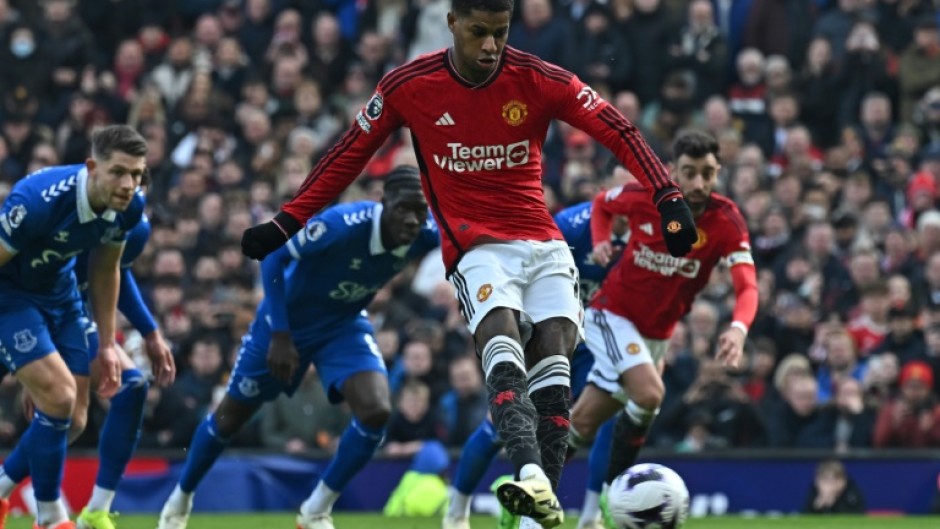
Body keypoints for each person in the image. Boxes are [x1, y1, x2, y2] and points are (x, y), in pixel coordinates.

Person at [240, 0, 697, 525]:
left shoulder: (539, 78)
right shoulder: (408, 85)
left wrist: (666, 194)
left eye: (500, 33)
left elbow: (618, 128)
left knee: (553, 373)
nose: (489, 46)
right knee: (503, 350)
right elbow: (348, 153)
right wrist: (287, 222)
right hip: (478, 250)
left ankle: (535, 509)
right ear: (452, 23)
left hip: (544, 246)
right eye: (478, 32)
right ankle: (528, 477)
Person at [157, 167, 440, 529]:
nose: (413, 219)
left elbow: (468, 238)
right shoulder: (343, 224)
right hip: (285, 322)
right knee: (230, 418)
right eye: (404, 209)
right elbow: (274, 254)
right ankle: (179, 501)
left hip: (343, 324)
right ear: (383, 203)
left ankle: (315, 511)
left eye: (420, 210)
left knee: (376, 411)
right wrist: (280, 334)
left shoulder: (426, 232)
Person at [568, 129, 758, 526]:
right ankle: (611, 497)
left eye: (708, 173)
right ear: (672, 170)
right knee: (651, 393)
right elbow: (602, 204)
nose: (699, 183)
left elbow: (747, 285)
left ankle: (528, 478)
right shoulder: (644, 196)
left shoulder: (726, 221)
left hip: (655, 337)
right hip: (610, 314)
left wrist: (738, 328)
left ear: (719, 172)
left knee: (582, 424)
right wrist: (601, 241)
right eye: (689, 172)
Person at [442, 195, 629, 529]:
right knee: (504, 423)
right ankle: (457, 510)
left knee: (606, 417)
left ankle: (587, 517)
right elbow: (527, 268)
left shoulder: (648, 233)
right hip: (544, 330)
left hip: (595, 341)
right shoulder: (571, 224)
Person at [0, 125, 149, 529]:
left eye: (136, 174)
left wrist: (105, 344)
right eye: (118, 172)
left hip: (62, 297)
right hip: (10, 296)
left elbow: (105, 270)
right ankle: (50, 517)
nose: (128, 184)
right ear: (91, 167)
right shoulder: (35, 203)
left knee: (74, 421)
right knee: (60, 396)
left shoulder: (130, 208)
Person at [0, 209, 176, 529]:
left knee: (127, 388)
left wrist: (150, 332)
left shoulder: (134, 227)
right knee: (70, 417)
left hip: (70, 314)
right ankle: (41, 511)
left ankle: (93, 510)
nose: (127, 189)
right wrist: (36, 368)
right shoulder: (66, 214)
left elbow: (115, 273)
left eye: (134, 180)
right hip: (25, 310)